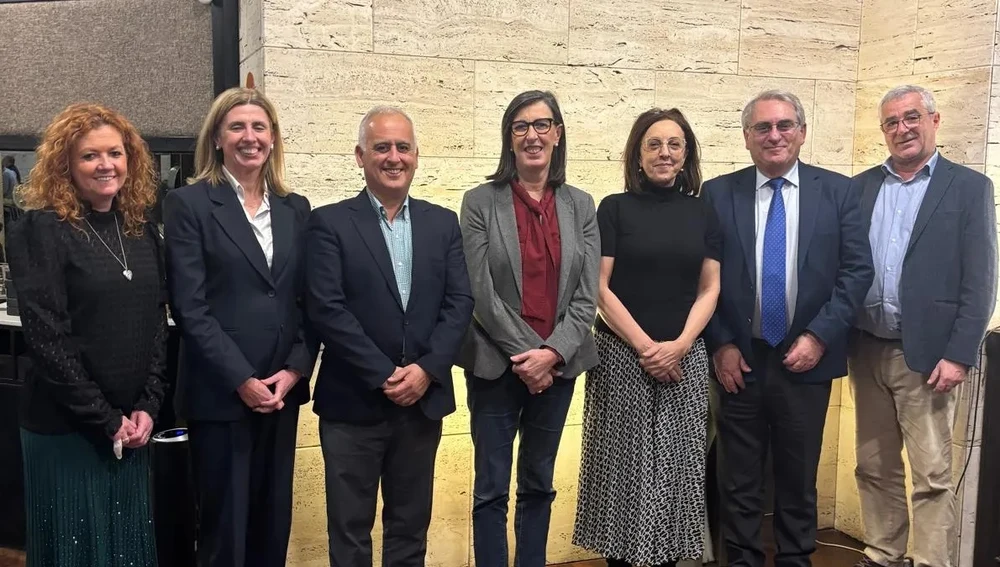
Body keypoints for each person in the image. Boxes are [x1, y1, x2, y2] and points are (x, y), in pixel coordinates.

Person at [702, 89, 873, 567]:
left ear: (801, 132)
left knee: (798, 476)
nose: (773, 135)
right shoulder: (718, 193)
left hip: (808, 358)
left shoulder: (839, 191)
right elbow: (702, 279)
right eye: (762, 128)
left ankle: (797, 558)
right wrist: (720, 345)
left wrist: (819, 336)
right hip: (740, 358)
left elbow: (857, 272)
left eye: (783, 125)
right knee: (738, 477)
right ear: (746, 138)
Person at [305, 106, 473, 567]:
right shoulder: (329, 223)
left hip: (423, 403)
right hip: (352, 404)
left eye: (403, 147)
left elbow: (459, 303)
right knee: (350, 531)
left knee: (409, 528)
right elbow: (326, 308)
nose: (393, 157)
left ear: (417, 156)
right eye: (382, 147)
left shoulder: (443, 223)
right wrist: (384, 374)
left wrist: (425, 370)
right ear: (360, 156)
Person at [163, 87, 317, 567]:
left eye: (259, 127)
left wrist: (294, 371)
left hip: (281, 391)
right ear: (217, 137)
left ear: (273, 138)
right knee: (224, 533)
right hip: (221, 393)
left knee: (272, 527)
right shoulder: (188, 204)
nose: (249, 137)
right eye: (237, 127)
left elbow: (307, 302)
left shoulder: (297, 208)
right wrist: (242, 381)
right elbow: (190, 307)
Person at [8, 103, 167, 566]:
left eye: (114, 153)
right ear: (65, 165)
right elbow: (47, 339)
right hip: (67, 430)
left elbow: (157, 323)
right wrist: (106, 419)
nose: (105, 165)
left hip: (131, 430)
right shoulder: (41, 231)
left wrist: (146, 408)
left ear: (130, 159)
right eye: (89, 156)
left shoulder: (142, 231)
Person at [849, 85, 997, 567]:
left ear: (935, 119)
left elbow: (980, 279)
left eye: (911, 117)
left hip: (930, 356)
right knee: (873, 465)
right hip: (866, 347)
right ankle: (882, 552)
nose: (902, 129)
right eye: (891, 122)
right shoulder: (863, 185)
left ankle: (932, 560)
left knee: (932, 473)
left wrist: (959, 353)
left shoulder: (969, 188)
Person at [571, 108, 720, 567]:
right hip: (622, 358)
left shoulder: (703, 210)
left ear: (686, 154)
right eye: (654, 144)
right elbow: (599, 287)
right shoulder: (614, 208)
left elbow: (710, 286)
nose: (665, 153)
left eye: (675, 144)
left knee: (677, 477)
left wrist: (678, 346)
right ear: (638, 154)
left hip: (685, 359)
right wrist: (646, 347)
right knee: (626, 479)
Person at [458, 90, 600, 567]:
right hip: (497, 366)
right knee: (491, 489)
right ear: (509, 138)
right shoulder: (479, 201)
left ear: (557, 135)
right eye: (521, 126)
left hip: (558, 370)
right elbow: (479, 290)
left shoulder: (582, 205)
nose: (532, 135)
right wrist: (529, 355)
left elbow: (587, 293)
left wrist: (553, 353)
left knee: (539, 484)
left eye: (542, 125)